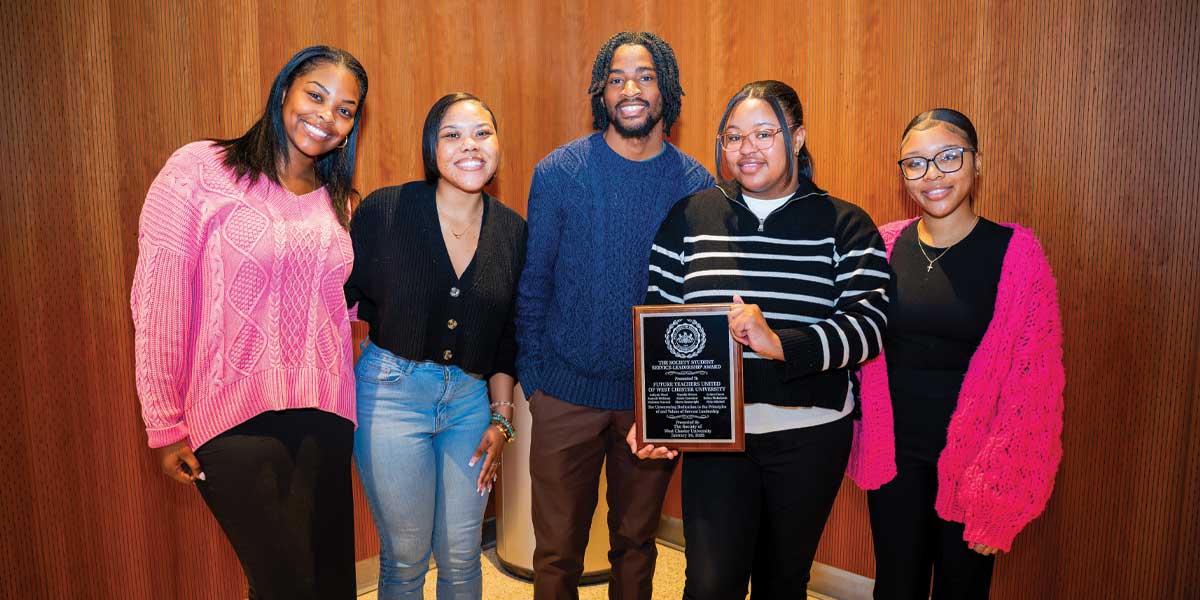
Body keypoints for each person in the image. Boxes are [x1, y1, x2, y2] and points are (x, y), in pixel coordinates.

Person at [633, 80, 892, 599]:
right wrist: (655, 415)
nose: (746, 149)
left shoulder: (844, 224)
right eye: (733, 137)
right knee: (708, 583)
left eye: (764, 133)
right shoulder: (689, 217)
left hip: (810, 436)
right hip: (716, 439)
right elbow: (660, 325)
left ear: (796, 137)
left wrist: (779, 342)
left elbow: (870, 327)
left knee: (783, 582)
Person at [129, 45, 368, 599]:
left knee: (331, 584)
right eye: (316, 95)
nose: (326, 117)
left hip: (325, 417)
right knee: (285, 584)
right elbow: (158, 297)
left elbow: (341, 305)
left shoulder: (340, 205)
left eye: (345, 109)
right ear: (284, 90)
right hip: (233, 419)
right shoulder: (199, 170)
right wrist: (164, 424)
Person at [515, 31, 714, 600]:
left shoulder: (696, 184)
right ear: (601, 93)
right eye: (617, 78)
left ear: (666, 89)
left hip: (649, 403)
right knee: (555, 554)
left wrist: (673, 399)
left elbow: (697, 304)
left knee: (636, 545)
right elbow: (534, 285)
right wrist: (537, 386)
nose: (631, 89)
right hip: (563, 396)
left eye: (646, 76)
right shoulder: (559, 172)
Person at [861, 108, 1064, 599]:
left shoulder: (1017, 254)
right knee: (894, 587)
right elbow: (858, 342)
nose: (932, 176)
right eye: (915, 163)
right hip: (894, 462)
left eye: (948, 158)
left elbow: (1032, 385)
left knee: (962, 590)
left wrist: (1001, 491)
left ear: (978, 163)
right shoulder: (884, 246)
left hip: (978, 468)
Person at [345, 92, 525, 599]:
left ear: (498, 145)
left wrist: (502, 417)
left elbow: (507, 335)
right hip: (390, 397)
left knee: (464, 557)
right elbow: (339, 299)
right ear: (431, 147)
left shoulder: (512, 231)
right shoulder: (386, 210)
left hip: (470, 404)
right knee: (405, 559)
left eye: (482, 133)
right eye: (452, 134)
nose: (470, 146)